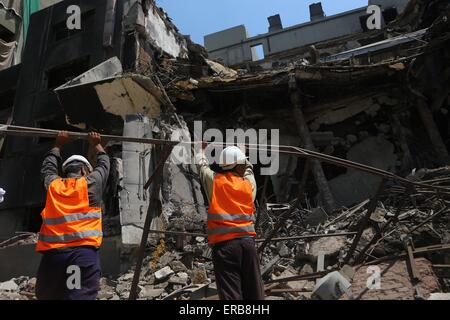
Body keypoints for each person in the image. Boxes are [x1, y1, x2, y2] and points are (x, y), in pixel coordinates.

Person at [35, 131, 110, 300]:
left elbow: (47, 167)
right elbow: (104, 164)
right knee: (78, 295)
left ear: (66, 171)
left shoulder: (54, 186)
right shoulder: (91, 184)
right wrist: (97, 144)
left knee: (49, 296)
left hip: (54, 257)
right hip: (81, 254)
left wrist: (58, 144)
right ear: (84, 170)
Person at [196, 143, 264, 300]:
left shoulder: (215, 182)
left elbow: (202, 167)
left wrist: (200, 151)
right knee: (254, 292)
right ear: (238, 165)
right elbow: (249, 171)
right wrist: (243, 153)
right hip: (247, 245)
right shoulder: (247, 185)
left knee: (231, 295)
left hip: (225, 248)